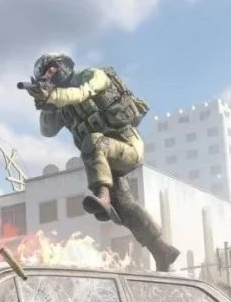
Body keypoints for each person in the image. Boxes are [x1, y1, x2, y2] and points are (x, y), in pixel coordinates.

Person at [27, 53, 181, 272]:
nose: (49, 75)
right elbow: (47, 130)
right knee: (125, 207)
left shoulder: (91, 75)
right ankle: (161, 251)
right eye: (44, 74)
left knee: (93, 141)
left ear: (63, 65)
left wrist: (53, 96)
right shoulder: (61, 104)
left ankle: (103, 195)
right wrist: (45, 104)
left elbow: (83, 93)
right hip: (105, 161)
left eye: (51, 69)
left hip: (127, 146)